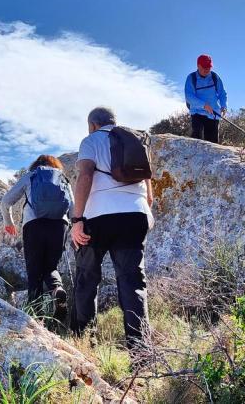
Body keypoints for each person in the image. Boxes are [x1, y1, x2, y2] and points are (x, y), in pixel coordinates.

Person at [69, 107, 154, 350]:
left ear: (93, 125)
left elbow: (85, 176)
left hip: (99, 217)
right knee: (133, 282)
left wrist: (77, 220)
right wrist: (145, 213)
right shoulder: (134, 142)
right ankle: (140, 352)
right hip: (135, 216)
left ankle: (85, 345)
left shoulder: (91, 141)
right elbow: (149, 195)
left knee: (87, 278)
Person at [0, 155, 73, 321]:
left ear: (36, 165)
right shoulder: (62, 178)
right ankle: (57, 290)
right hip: (58, 226)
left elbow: (5, 202)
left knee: (34, 272)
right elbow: (73, 208)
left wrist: (9, 222)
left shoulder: (31, 175)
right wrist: (72, 226)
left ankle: (36, 317)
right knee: (50, 267)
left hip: (33, 226)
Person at [184, 54, 227, 143]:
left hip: (213, 114)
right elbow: (189, 96)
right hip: (197, 113)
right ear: (198, 66)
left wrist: (223, 106)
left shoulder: (215, 77)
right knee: (196, 140)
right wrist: (204, 105)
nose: (207, 69)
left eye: (209, 67)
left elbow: (222, 93)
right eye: (204, 67)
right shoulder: (191, 78)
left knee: (213, 143)